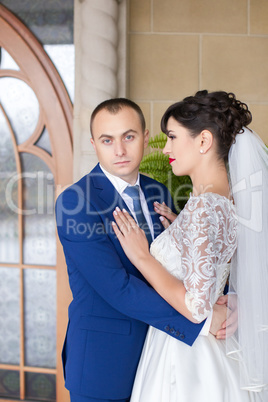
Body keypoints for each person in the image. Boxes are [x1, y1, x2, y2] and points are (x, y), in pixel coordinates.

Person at [55, 98, 233, 402]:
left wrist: (227, 300)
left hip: (163, 360)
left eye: (129, 136)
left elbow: (197, 260)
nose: (120, 150)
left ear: (146, 137)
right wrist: (204, 321)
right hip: (106, 363)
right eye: (107, 140)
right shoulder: (75, 202)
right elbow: (117, 288)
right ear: (93, 144)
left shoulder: (159, 191)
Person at [112, 91, 268, 401]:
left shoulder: (203, 209)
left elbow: (197, 307)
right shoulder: (229, 204)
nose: (165, 147)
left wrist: (144, 258)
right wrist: (179, 231)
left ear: (203, 141)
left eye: (172, 136)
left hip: (184, 357)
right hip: (216, 353)